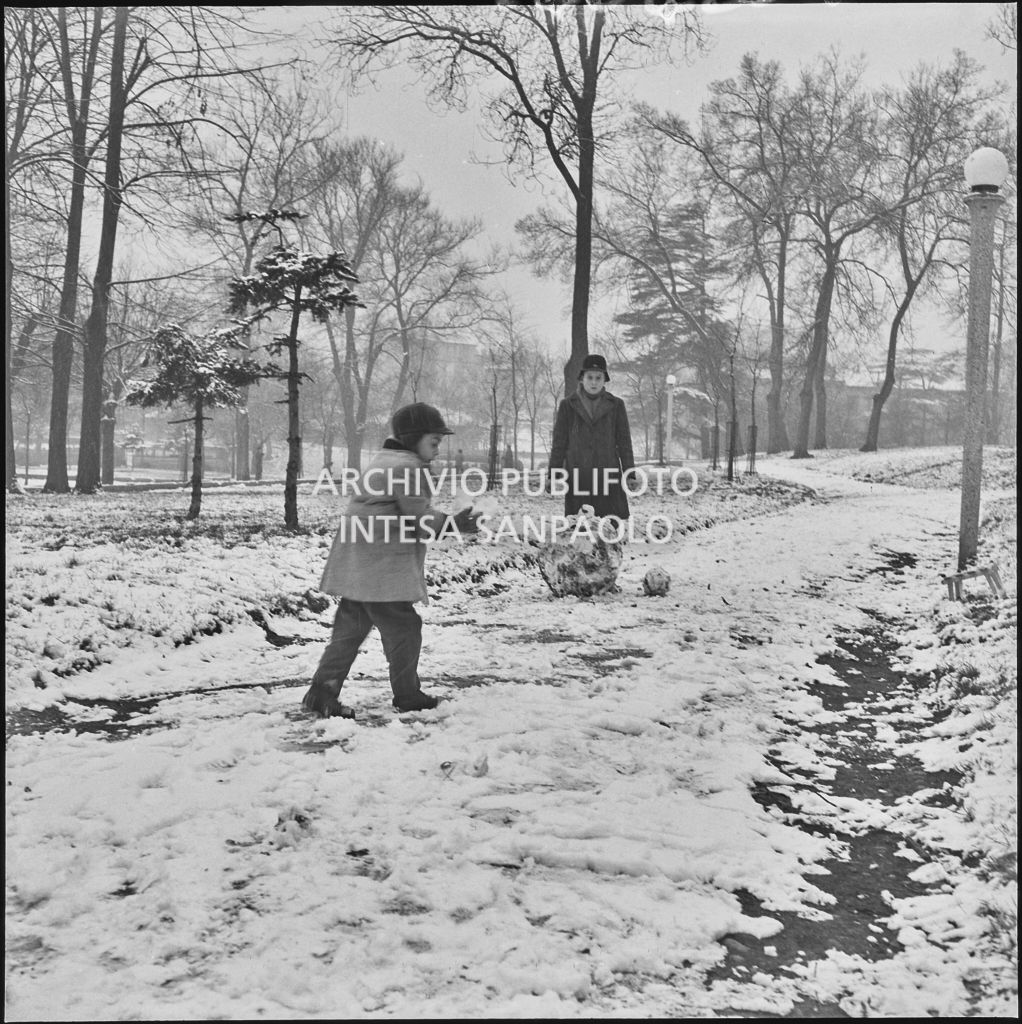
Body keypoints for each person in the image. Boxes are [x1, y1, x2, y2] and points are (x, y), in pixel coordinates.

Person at [302, 403, 478, 718]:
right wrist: (455, 524)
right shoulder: (409, 467)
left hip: (359, 564)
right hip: (380, 567)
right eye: (434, 442)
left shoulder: (385, 460)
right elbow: (420, 517)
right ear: (413, 439)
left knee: (350, 630)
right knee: (405, 627)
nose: (437, 451)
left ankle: (322, 690)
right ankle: (408, 694)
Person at [548, 353, 635, 520]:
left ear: (605, 380)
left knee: (609, 525)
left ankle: (609, 545)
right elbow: (559, 442)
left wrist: (630, 473)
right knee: (579, 524)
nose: (594, 382)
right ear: (582, 378)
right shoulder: (567, 406)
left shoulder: (616, 405)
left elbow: (624, 442)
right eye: (590, 377)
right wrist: (553, 474)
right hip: (579, 474)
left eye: (598, 377)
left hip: (607, 473)